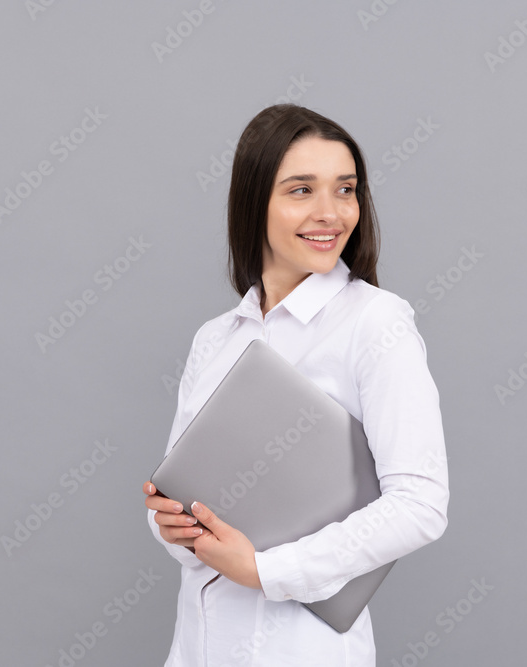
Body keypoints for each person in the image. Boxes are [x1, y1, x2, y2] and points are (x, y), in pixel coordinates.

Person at [144, 104, 449, 666]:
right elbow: (182, 488)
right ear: (253, 201)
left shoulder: (375, 323)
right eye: (301, 190)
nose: (331, 213)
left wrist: (267, 571)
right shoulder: (215, 339)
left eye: (346, 189)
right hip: (198, 648)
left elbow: (420, 503)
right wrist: (171, 525)